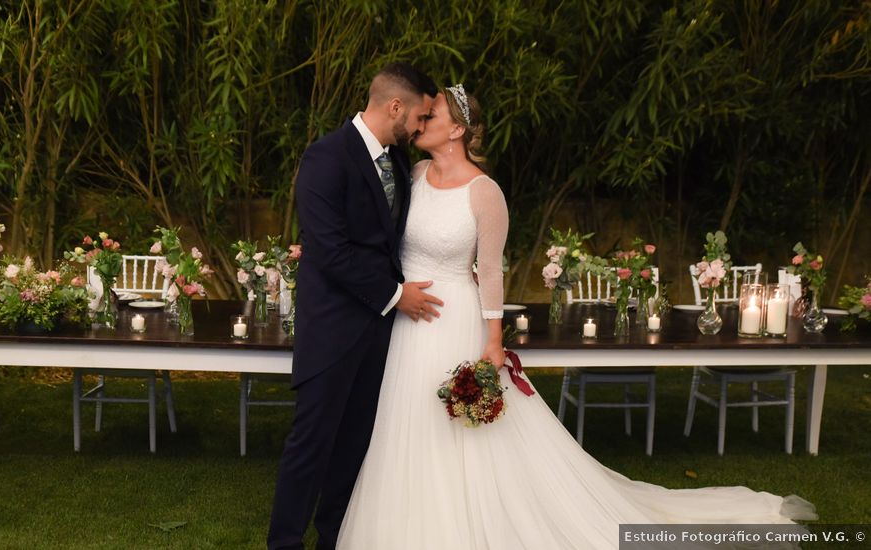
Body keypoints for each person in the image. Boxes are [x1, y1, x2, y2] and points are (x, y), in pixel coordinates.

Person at [336, 85, 816, 549]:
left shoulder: (485, 193)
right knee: (406, 424)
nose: (420, 120)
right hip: (406, 322)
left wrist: (494, 341)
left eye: (431, 114)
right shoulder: (413, 175)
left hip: (455, 319)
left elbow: (491, 273)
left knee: (464, 430)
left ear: (457, 129)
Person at [266, 63, 441, 550]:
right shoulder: (326, 158)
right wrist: (396, 296)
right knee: (312, 444)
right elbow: (331, 251)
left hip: (380, 332)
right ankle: (283, 542)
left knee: (354, 445)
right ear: (395, 107)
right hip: (333, 328)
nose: (421, 127)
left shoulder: (399, 163)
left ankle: (335, 538)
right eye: (420, 117)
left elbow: (391, 242)